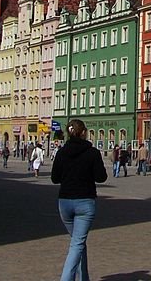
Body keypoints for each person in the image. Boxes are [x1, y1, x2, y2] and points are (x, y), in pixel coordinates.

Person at [51, 119, 108, 281]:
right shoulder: (92, 152)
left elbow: (55, 178)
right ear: (83, 133)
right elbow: (101, 177)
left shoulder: (62, 152)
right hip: (85, 203)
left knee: (78, 241)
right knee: (77, 244)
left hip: (65, 202)